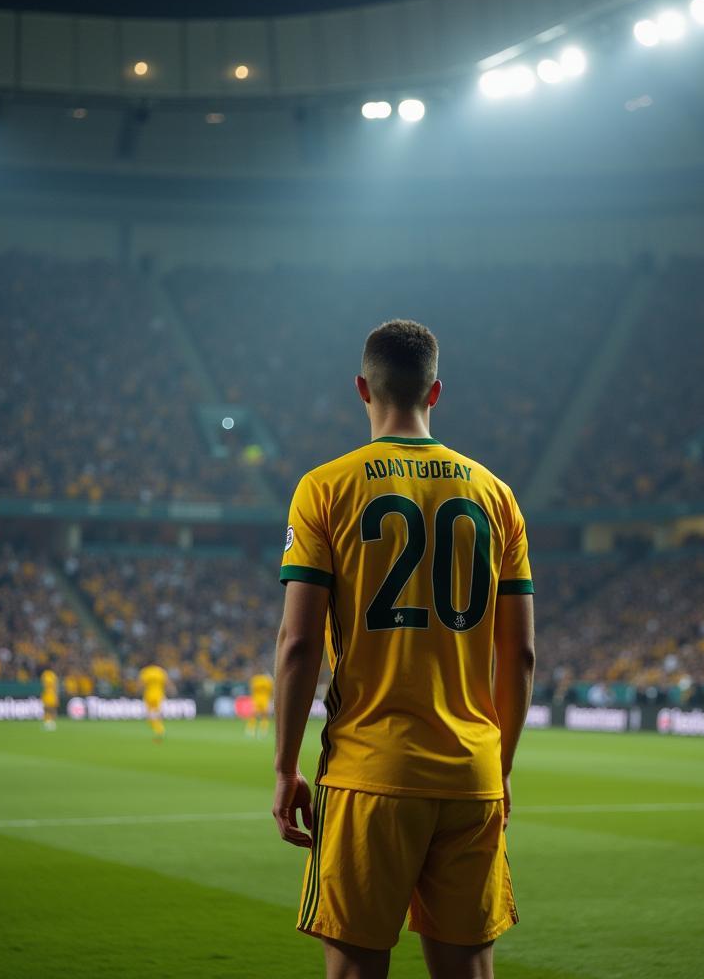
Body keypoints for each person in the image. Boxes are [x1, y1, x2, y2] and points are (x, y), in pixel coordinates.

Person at [271, 319, 536, 979]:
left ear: (362, 388)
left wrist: (284, 766)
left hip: (370, 772)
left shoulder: (325, 487)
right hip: (470, 775)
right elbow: (521, 656)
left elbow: (299, 643)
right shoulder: (496, 496)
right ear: (435, 393)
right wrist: (498, 768)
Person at [139, 663, 170, 742]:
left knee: (149, 715)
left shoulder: (145, 671)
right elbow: (166, 683)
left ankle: (158, 730)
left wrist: (138, 690)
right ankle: (159, 729)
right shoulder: (161, 671)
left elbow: (141, 684)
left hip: (149, 695)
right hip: (159, 695)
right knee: (158, 714)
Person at [247, 671, 274, 738]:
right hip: (264, 700)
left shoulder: (255, 679)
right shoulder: (268, 680)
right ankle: (262, 731)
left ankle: (251, 730)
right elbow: (272, 691)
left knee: (254, 715)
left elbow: (251, 689)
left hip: (257, 699)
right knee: (264, 716)